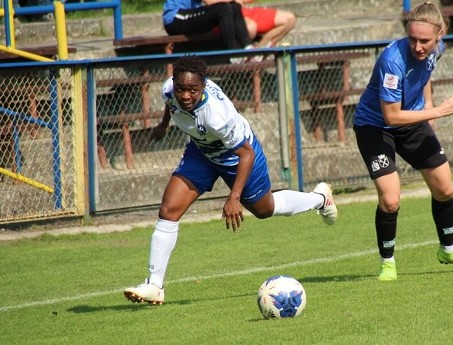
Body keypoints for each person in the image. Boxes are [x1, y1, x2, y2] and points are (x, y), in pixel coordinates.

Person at [124, 55, 338, 305]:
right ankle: (154, 285)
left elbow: (245, 153)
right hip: (202, 152)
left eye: (192, 90)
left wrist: (234, 197)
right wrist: (163, 125)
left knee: (263, 209)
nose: (185, 96)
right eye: (181, 88)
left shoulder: (217, 115)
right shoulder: (169, 90)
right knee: (168, 210)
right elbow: (171, 104)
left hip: (238, 156)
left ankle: (320, 199)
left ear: (202, 87)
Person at [352, 1, 453, 282]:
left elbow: (424, 72)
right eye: (412, 39)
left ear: (440, 34)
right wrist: (436, 112)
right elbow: (390, 115)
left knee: (445, 189)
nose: (418, 46)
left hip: (411, 118)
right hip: (375, 126)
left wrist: (428, 102)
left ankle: (448, 250)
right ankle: (388, 263)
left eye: (424, 40)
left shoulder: (437, 49)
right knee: (390, 199)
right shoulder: (393, 61)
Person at [162, 0, 253, 53]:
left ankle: (248, 48)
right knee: (224, 8)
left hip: (194, 15)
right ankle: (233, 54)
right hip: (176, 18)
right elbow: (210, 1)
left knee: (234, 6)